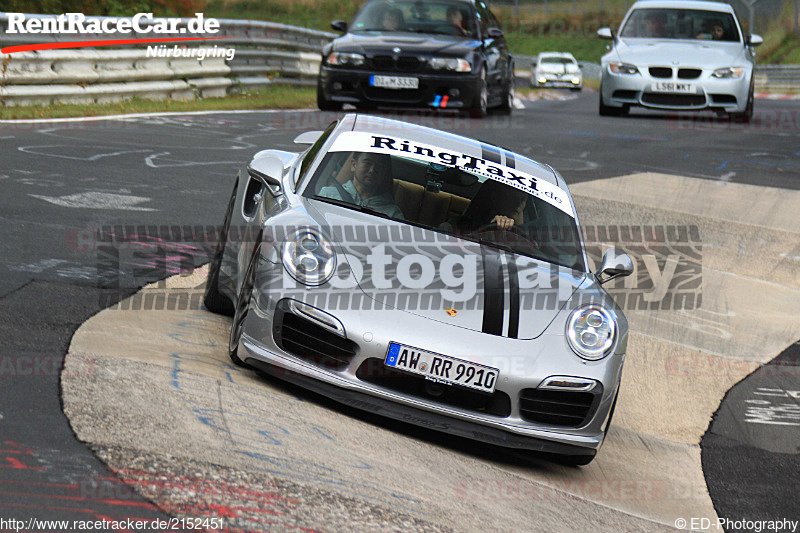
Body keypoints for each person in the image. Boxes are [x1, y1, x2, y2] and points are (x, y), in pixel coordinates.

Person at [318, 152, 404, 219]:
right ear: (353, 165)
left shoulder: (392, 213)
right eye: (367, 163)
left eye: (380, 166)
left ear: (384, 172)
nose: (372, 170)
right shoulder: (327, 195)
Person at [441, 179, 528, 233]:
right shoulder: (459, 226)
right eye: (513, 198)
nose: (519, 204)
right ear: (494, 198)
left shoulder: (530, 237)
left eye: (523, 199)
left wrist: (516, 230)